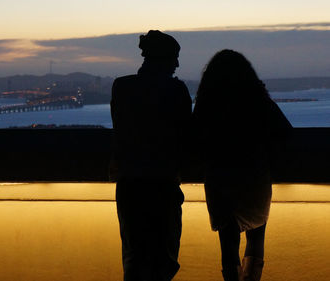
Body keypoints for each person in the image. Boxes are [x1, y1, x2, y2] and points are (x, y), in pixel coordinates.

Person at [192, 49, 292, 281]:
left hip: (220, 178)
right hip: (254, 176)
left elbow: (194, 139)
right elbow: (285, 132)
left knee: (228, 242)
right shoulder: (258, 101)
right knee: (256, 238)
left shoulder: (208, 104)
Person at [110, 30, 192, 281]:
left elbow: (120, 130)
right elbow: (186, 137)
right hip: (162, 186)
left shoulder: (121, 87)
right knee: (163, 261)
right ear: (164, 58)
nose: (177, 64)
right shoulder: (176, 90)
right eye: (175, 57)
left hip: (129, 186)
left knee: (134, 259)